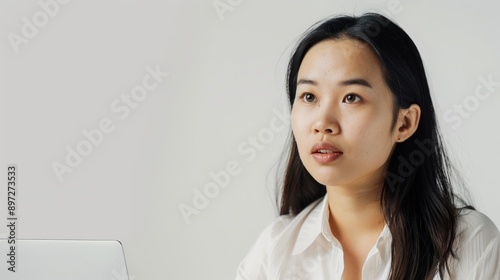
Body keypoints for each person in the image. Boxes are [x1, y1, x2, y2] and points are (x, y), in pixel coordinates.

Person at [235, 13, 500, 280]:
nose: (323, 123)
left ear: (404, 123)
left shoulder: (469, 244)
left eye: (351, 97)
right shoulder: (274, 251)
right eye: (309, 96)